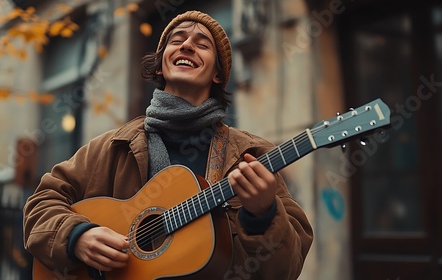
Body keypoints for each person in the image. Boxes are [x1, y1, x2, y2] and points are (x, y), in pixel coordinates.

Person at [23, 10, 313, 280]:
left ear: (217, 75)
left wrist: (263, 214)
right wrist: (77, 237)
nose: (187, 45)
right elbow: (40, 203)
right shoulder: (111, 147)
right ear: (161, 66)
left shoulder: (250, 155)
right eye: (178, 40)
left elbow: (286, 270)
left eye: (202, 44)